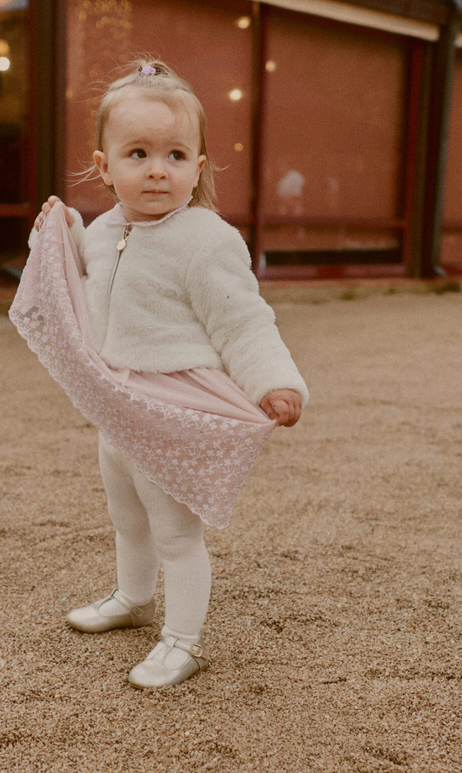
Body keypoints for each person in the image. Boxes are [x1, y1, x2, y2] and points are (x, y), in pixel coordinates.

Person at [28, 58, 308, 689]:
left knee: (176, 534)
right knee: (126, 516)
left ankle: (182, 639)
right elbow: (82, 278)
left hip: (174, 411)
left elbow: (243, 321)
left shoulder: (205, 240)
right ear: (105, 167)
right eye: (137, 153)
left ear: (199, 167)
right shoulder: (104, 231)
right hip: (120, 409)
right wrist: (62, 231)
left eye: (176, 154)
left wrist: (274, 382)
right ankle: (133, 598)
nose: (158, 169)